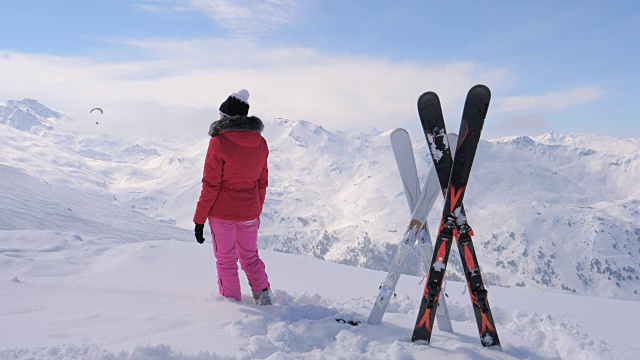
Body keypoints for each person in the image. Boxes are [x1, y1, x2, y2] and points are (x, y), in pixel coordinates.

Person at [193, 89, 272, 305]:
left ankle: (232, 307)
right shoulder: (261, 142)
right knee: (250, 257)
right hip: (249, 212)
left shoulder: (219, 142)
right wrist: (256, 209)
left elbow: (210, 185)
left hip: (221, 213)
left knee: (226, 260)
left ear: (227, 118)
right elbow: (262, 182)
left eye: (222, 115)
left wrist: (199, 220)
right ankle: (264, 298)